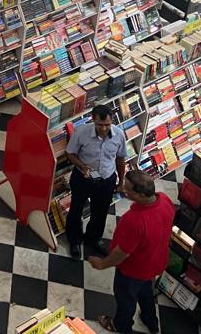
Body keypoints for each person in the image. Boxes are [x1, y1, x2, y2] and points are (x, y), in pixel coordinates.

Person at [88, 170, 174, 333]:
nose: (122, 190)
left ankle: (120, 325)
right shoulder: (164, 200)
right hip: (155, 262)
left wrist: (102, 264)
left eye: (128, 189)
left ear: (141, 194)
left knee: (126, 300)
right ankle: (151, 320)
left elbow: (122, 253)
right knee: (146, 292)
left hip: (133, 270)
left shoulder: (135, 220)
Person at [65, 104, 128, 260]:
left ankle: (93, 239)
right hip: (82, 178)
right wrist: (81, 166)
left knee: (100, 212)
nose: (104, 129)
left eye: (107, 124)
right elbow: (70, 153)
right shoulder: (81, 133)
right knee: (76, 209)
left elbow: (120, 159)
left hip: (106, 179)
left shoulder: (119, 135)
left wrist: (121, 181)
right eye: (100, 125)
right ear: (93, 120)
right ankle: (74, 240)